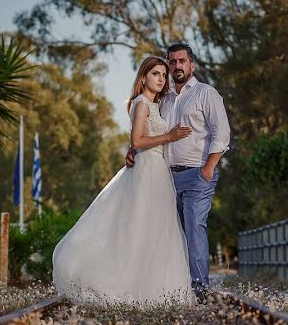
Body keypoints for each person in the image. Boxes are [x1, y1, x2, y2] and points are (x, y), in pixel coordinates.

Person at [52, 56, 194, 304]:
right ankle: (129, 283)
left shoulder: (154, 105)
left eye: (163, 74)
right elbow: (138, 141)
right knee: (140, 226)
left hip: (157, 170)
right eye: (155, 74)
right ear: (143, 78)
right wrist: (169, 136)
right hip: (147, 170)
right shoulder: (141, 104)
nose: (161, 79)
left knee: (157, 228)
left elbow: (134, 143)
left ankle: (157, 289)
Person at [127, 43, 231, 301]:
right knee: (171, 233)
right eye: (172, 62)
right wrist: (132, 150)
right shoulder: (164, 99)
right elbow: (147, 134)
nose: (176, 67)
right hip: (165, 178)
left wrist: (208, 169)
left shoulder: (206, 94)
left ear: (191, 65)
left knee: (194, 227)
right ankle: (176, 288)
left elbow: (222, 134)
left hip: (197, 174)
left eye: (181, 61)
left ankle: (200, 290)